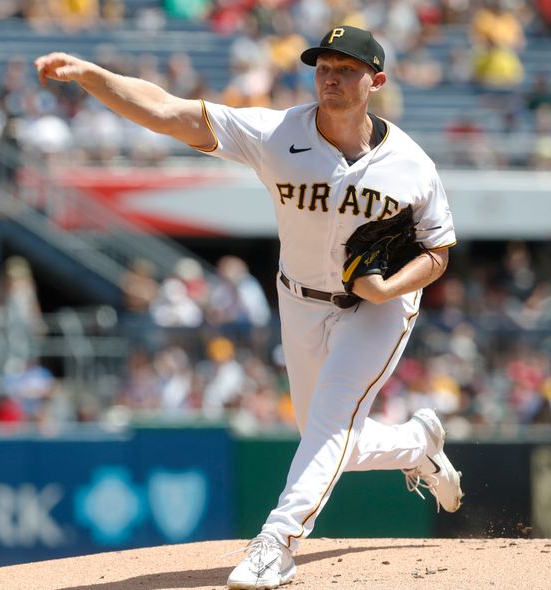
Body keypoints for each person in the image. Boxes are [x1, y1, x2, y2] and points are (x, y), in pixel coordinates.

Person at [35, 24, 462, 589]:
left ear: (376, 81)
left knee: (331, 423)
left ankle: (276, 543)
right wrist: (92, 75)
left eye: (346, 69)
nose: (330, 77)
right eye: (323, 66)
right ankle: (416, 443)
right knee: (329, 435)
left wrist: (389, 288)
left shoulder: (412, 164)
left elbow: (438, 249)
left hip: (379, 308)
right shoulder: (276, 133)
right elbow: (168, 110)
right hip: (299, 300)